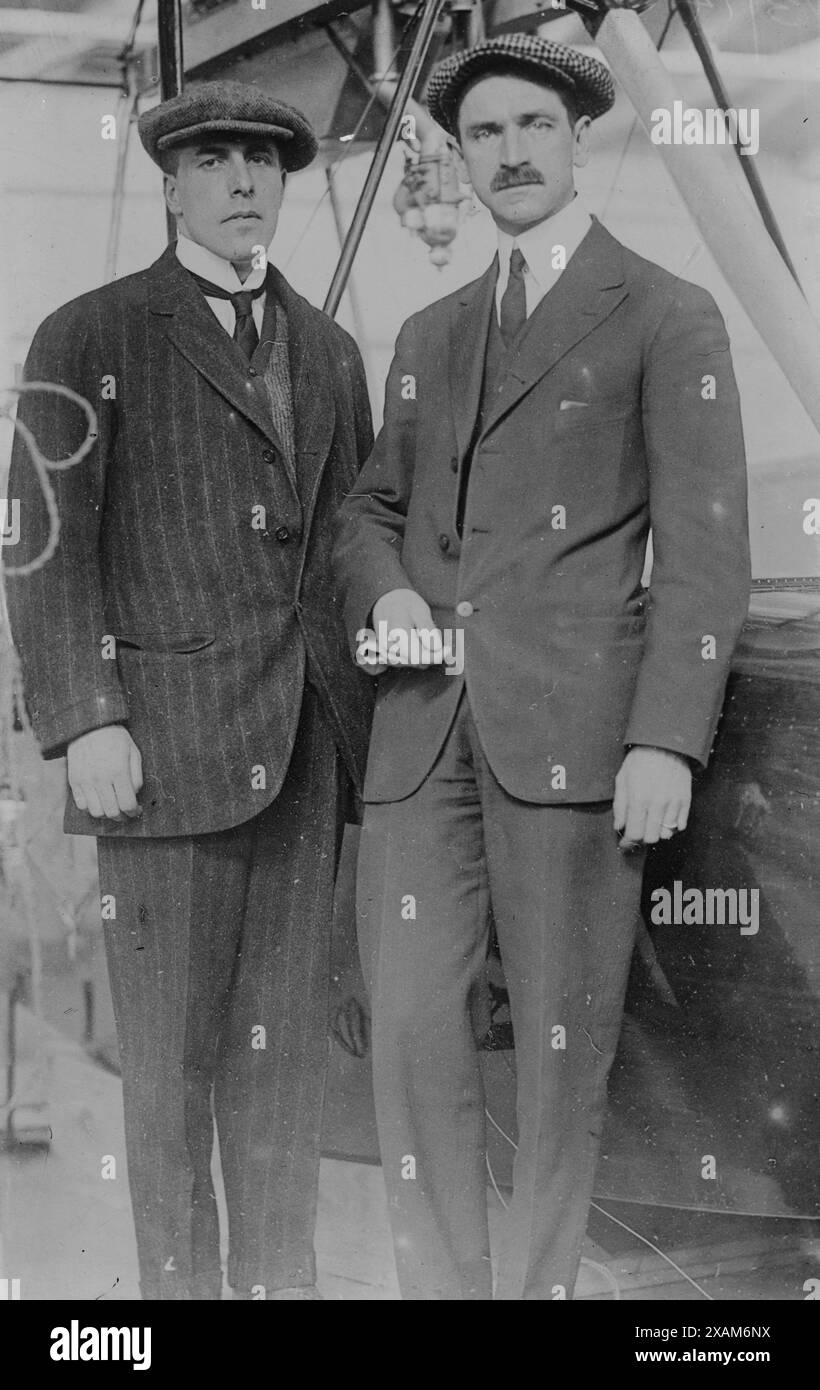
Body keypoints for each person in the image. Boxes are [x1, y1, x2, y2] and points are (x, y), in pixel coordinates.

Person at [333, 33, 750, 1300]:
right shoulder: (428, 330)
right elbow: (366, 511)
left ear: (577, 142)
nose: (508, 152)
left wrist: (665, 738)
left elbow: (705, 552)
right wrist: (392, 586)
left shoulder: (668, 314)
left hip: (575, 742)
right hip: (419, 745)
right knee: (409, 1042)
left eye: (531, 127)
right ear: (458, 161)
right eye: (484, 136)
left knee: (559, 1060)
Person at [4, 80, 373, 1300]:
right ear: (170, 179)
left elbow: (346, 545)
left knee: (282, 1082)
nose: (242, 181)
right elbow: (42, 539)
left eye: (263, 162)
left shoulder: (329, 351)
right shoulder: (88, 335)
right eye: (214, 159)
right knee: (167, 1077)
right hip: (156, 763)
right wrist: (84, 717)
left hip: (304, 764)